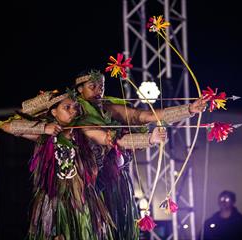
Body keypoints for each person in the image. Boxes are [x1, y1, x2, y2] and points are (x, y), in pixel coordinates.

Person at [21, 70, 208, 239]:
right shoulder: (72, 112)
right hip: (81, 183)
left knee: (114, 228)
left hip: (113, 178)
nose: (98, 90)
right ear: (78, 90)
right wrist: (46, 121)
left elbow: (143, 117)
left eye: (101, 86)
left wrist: (189, 110)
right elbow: (16, 121)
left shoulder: (107, 107)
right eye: (92, 86)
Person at [0, 90, 167, 240]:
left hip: (84, 199)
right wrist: (44, 128)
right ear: (54, 112)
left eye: (76, 107)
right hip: (54, 200)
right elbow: (7, 126)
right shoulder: (45, 134)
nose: (74, 111)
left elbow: (115, 140)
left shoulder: (84, 131)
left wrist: (149, 139)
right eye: (67, 107)